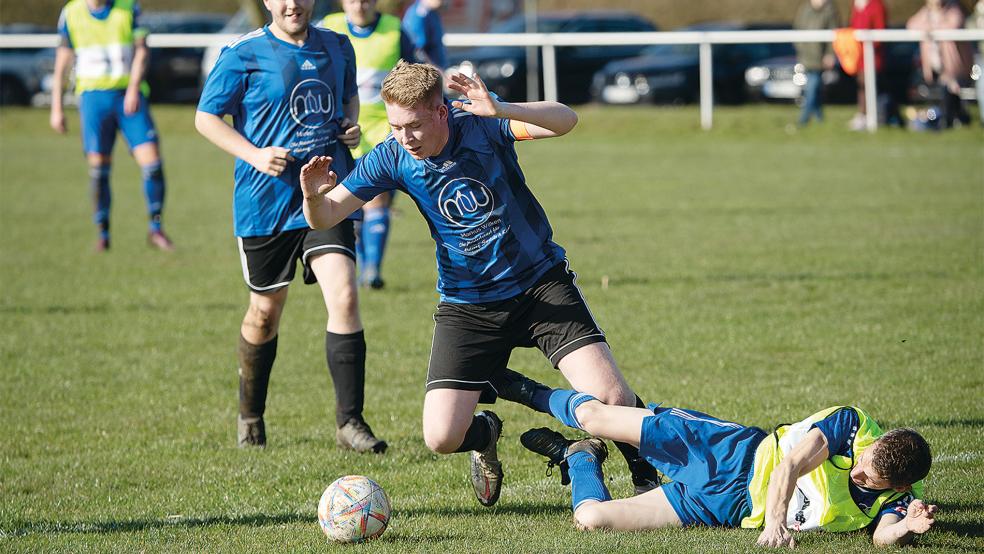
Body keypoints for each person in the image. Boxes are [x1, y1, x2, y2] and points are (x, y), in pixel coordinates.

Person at [299, 61, 662, 506]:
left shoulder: (481, 125)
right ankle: (486, 431)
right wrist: (312, 197)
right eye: (395, 126)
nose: (405, 137)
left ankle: (645, 477)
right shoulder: (391, 156)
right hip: (467, 303)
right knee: (441, 436)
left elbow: (566, 120)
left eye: (414, 125)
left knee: (610, 395)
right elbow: (326, 216)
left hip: (539, 286)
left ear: (441, 111)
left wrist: (502, 108)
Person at [195, 0, 387, 453]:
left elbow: (348, 99)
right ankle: (250, 415)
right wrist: (255, 155)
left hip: (326, 195)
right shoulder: (242, 53)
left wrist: (350, 126)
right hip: (266, 204)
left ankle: (350, 423)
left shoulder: (337, 46)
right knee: (265, 313)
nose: (292, 4)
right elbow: (205, 117)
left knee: (345, 295)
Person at [516, 382, 935, 548]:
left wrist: (906, 527)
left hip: (723, 508)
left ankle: (581, 457)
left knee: (591, 520)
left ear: (898, 486)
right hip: (728, 453)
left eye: (869, 479)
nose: (858, 473)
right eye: (863, 462)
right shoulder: (853, 426)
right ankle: (511, 385)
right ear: (878, 442)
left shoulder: (897, 500)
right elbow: (790, 465)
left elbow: (882, 538)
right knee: (596, 416)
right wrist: (776, 523)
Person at [49, 0, 174, 252]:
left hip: (128, 96)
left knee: (152, 163)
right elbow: (62, 61)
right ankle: (103, 233)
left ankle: (156, 228)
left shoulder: (128, 7)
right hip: (93, 99)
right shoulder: (71, 12)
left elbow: (141, 50)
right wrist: (56, 107)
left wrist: (133, 87)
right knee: (99, 169)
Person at [319, 0, 416, 289]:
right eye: (353, 0)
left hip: (383, 129)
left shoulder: (394, 30)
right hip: (342, 128)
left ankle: (373, 269)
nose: (360, 6)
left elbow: (412, 76)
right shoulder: (329, 27)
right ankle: (362, 265)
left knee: (376, 197)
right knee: (348, 204)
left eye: (366, 0)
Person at [908, 0, 973, 128]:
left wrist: (931, 29)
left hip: (953, 66)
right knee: (944, 91)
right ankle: (952, 118)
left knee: (949, 88)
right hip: (933, 66)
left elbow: (954, 25)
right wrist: (929, 28)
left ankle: (949, 119)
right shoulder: (926, 12)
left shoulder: (953, 9)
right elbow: (911, 24)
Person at [793, 0, 839, 126]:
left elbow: (833, 34)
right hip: (806, 56)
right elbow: (798, 30)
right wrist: (800, 49)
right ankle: (819, 118)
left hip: (820, 58)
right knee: (815, 88)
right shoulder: (804, 9)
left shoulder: (830, 11)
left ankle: (804, 119)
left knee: (812, 87)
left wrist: (830, 54)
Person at [848, 0, 887, 131]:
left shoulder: (876, 5)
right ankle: (864, 115)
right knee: (861, 86)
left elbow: (880, 31)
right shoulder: (856, 6)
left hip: (872, 56)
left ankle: (869, 116)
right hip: (859, 56)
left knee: (869, 86)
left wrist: (868, 46)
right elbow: (854, 28)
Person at [402, 0, 448, 70]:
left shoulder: (431, 12)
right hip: (426, 72)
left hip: (437, 69)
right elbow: (417, 51)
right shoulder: (419, 14)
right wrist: (436, 70)